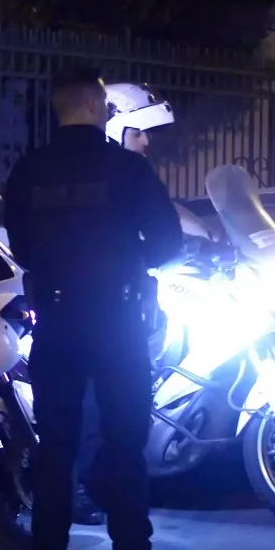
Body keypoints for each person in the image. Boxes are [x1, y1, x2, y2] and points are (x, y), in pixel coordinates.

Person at [3, 66, 182, 550]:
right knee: (125, 442)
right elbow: (168, 244)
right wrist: (127, 257)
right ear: (91, 105)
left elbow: (22, 247)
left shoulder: (29, 170)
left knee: (56, 445)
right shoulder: (126, 168)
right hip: (118, 321)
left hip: (57, 321)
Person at [69, 81, 180, 526]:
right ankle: (97, 495)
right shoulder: (128, 175)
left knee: (88, 401)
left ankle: (70, 507)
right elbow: (165, 239)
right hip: (113, 310)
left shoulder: (51, 168)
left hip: (67, 306)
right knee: (107, 406)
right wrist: (142, 259)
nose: (147, 142)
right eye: (139, 132)